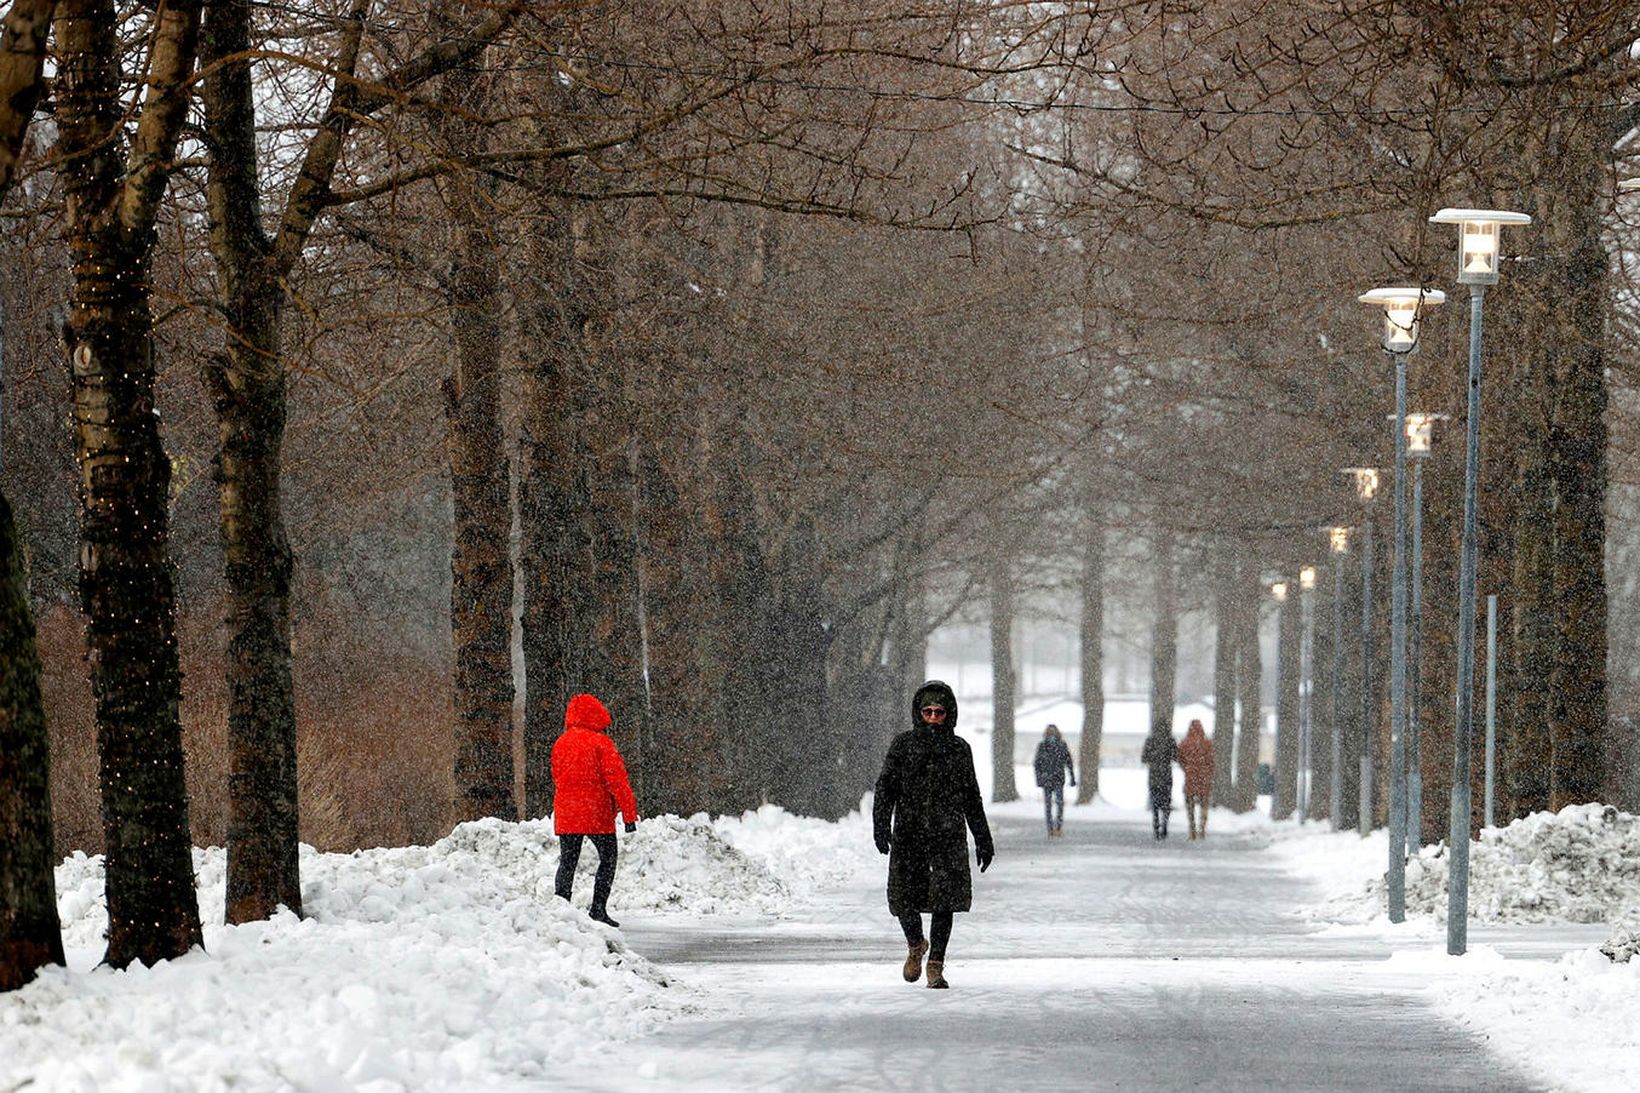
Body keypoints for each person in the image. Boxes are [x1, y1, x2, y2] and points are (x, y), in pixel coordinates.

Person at [873, 680, 994, 990]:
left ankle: (936, 963)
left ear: (948, 713)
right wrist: (880, 825)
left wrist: (982, 838)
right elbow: (886, 788)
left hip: (947, 836)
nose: (932, 718)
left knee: (944, 901)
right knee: (903, 898)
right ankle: (916, 944)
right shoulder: (903, 746)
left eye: (939, 712)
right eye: (927, 711)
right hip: (909, 834)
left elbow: (971, 796)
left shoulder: (958, 749)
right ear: (918, 712)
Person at [551, 693, 639, 928]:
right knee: (608, 859)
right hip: (596, 812)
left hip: (567, 812)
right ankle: (598, 908)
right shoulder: (601, 743)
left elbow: (557, 778)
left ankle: (561, 909)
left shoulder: (560, 743)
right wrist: (629, 815)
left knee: (568, 862)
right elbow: (618, 781)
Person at [1032, 724, 1076, 837]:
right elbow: (1037, 764)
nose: (1051, 735)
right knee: (1052, 805)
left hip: (1055, 779)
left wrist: (1072, 777)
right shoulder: (1043, 746)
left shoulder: (1061, 745)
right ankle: (1052, 829)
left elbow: (1068, 761)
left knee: (1056, 805)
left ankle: (1056, 828)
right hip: (1051, 779)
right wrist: (1039, 778)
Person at [1176, 719, 1214, 840]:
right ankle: (1202, 828)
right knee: (1204, 805)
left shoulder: (1185, 743)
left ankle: (1192, 830)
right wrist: (1207, 771)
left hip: (1190, 778)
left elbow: (1180, 759)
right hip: (1204, 778)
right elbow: (1212, 760)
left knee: (1190, 805)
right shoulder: (1207, 743)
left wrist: (1187, 769)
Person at [1140, 719, 1178, 840]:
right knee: (1166, 802)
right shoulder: (1170, 740)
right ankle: (1165, 825)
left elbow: (1144, 758)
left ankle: (1156, 824)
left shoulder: (1150, 740)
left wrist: (1153, 759)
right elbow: (1176, 757)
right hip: (1166, 774)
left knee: (1155, 802)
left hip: (1154, 775)